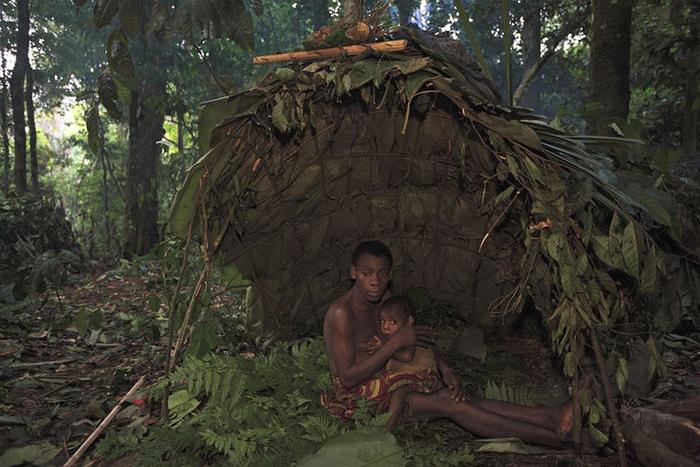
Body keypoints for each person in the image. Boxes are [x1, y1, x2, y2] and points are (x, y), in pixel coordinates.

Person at [321, 240, 575, 447]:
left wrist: (445, 368)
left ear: (389, 275)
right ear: (354, 273)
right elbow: (347, 379)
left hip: (394, 378)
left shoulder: (385, 299)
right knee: (453, 404)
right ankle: (559, 440)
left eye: (382, 274)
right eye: (366, 274)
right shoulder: (342, 313)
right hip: (362, 399)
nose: (375, 281)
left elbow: (413, 342)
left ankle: (551, 417)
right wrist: (394, 343)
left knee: (461, 397)